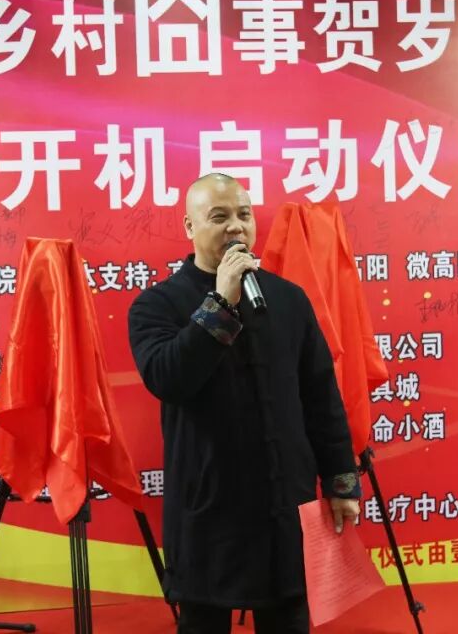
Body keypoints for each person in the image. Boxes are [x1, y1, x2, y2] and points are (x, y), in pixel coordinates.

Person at [127, 173, 361, 634]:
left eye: (244, 215)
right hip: (209, 508)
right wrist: (221, 300)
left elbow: (321, 398)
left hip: (283, 502)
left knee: (288, 619)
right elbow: (169, 378)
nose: (236, 227)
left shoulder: (288, 299)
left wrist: (341, 482)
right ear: (190, 227)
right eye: (219, 217)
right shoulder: (157, 304)